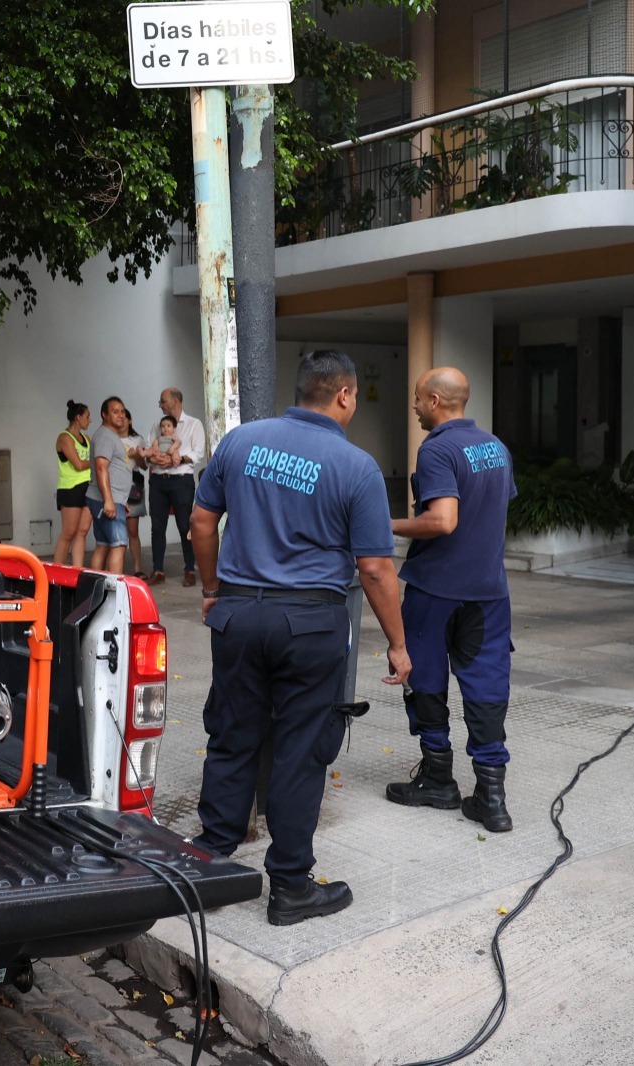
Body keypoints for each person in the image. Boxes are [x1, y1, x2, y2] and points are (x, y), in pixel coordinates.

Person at [188, 351, 411, 926]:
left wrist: (213, 588)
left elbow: (201, 522)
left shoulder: (240, 442)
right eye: (356, 396)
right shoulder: (355, 465)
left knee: (233, 735)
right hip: (310, 624)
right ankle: (290, 886)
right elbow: (376, 568)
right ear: (343, 395)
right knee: (300, 752)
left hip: (237, 614)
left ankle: (208, 864)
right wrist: (398, 643)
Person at [386, 367, 518, 834]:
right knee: (486, 687)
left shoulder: (437, 448)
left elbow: (442, 521)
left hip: (437, 590)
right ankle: (492, 797)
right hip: (488, 593)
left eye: (419, 398)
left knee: (424, 679)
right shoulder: (495, 447)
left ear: (438, 401)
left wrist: (386, 526)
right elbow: (498, 520)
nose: (416, 406)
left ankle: (439, 780)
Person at [146, 387, 206, 587]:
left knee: (184, 526)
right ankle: (158, 570)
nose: (159, 405)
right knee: (157, 527)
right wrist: (156, 458)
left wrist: (177, 460)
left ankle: (190, 569)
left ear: (175, 401)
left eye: (163, 401)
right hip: (158, 481)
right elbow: (149, 449)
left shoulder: (193, 424)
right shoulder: (157, 425)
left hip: (181, 480)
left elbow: (198, 453)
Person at [84, 397, 132, 574]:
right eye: (115, 411)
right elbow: (101, 467)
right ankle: (114, 592)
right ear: (104, 414)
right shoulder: (105, 435)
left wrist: (120, 499)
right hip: (106, 499)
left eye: (122, 411)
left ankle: (95, 588)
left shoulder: (109, 435)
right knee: (118, 546)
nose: (120, 415)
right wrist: (109, 501)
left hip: (109, 499)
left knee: (102, 545)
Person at [54, 400, 92, 567]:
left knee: (82, 532)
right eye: (87, 416)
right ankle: (56, 572)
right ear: (78, 418)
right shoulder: (64, 438)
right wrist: (97, 460)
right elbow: (78, 465)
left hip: (88, 486)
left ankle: (77, 570)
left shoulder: (86, 438)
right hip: (71, 488)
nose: (90, 420)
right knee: (68, 533)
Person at [121, 409, 149, 578]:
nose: (121, 420)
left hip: (133, 486)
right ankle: (115, 568)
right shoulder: (110, 438)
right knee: (115, 531)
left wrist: (137, 456)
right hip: (115, 485)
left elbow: (144, 466)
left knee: (133, 530)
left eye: (124, 418)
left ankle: (137, 568)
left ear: (130, 420)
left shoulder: (137, 439)